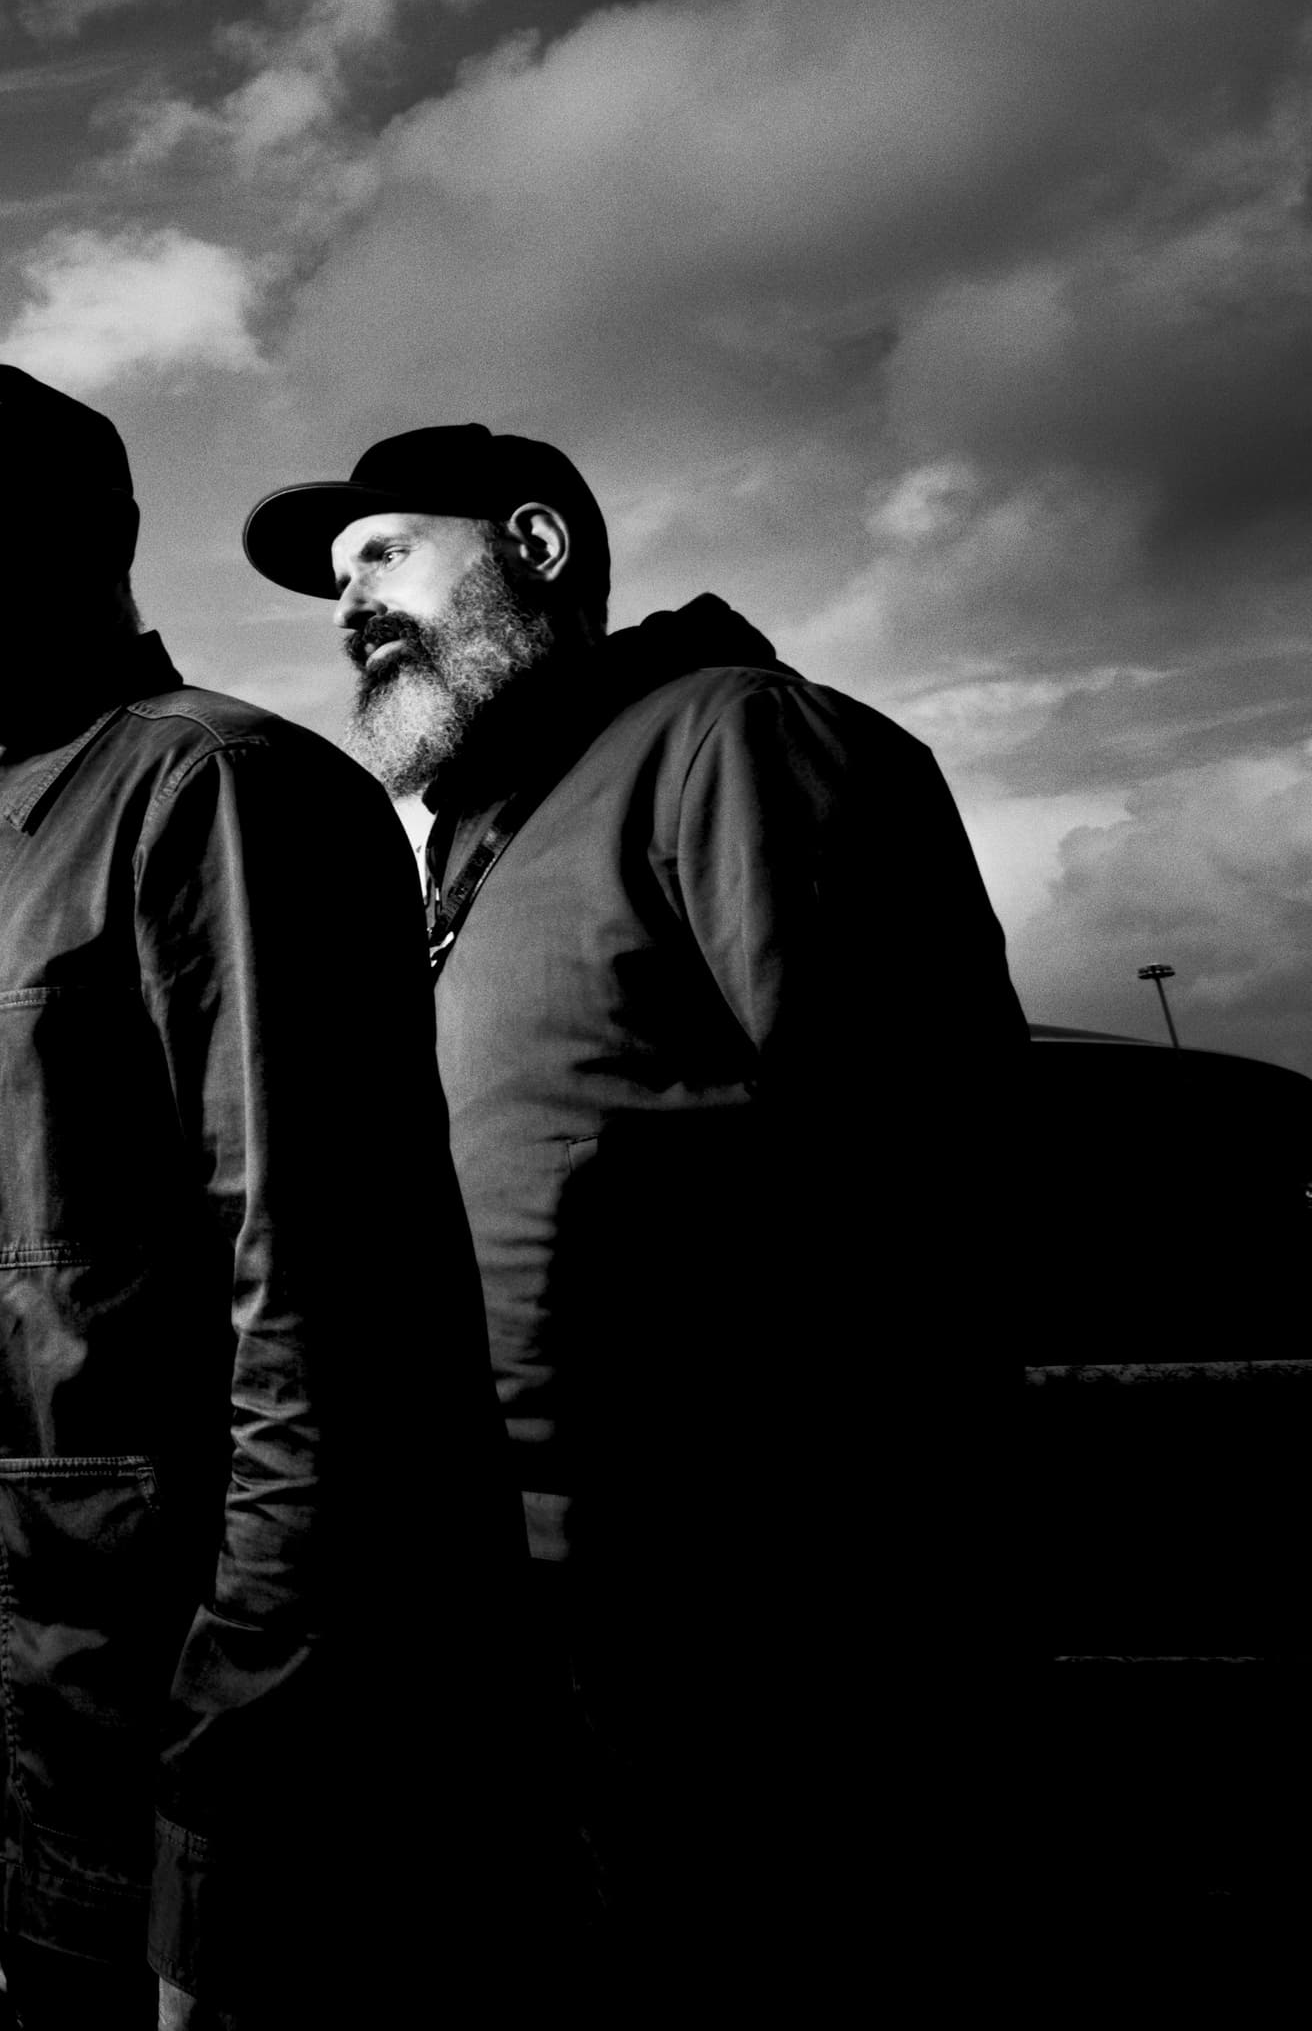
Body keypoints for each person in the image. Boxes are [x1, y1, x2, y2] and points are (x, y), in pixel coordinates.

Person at [0, 365, 515, 2028]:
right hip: (45, 1798)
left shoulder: (217, 790)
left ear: (87, 531)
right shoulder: (1, 840)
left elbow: (328, 1342)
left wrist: (236, 1838)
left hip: (205, 1817)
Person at [242, 425, 1028, 2026]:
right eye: (335, 583)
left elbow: (927, 1166)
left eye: (385, 554)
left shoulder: (732, 738)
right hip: (518, 1623)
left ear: (533, 547)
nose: (350, 606)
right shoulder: (485, 833)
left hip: (727, 1627)